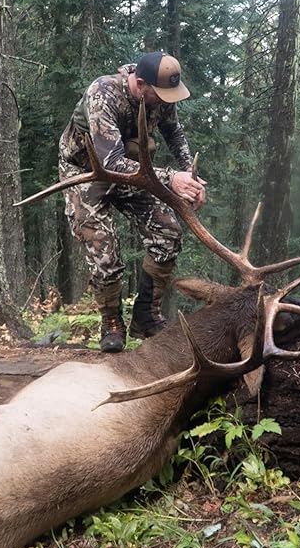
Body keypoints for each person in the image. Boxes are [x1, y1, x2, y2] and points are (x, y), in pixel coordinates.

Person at [58, 51, 207, 352]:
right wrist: (171, 178)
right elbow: (111, 162)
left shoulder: (160, 94)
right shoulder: (102, 95)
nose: (165, 101)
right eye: (160, 95)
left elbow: (173, 132)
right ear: (140, 84)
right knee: (105, 254)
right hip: (86, 173)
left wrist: (191, 175)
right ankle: (111, 322)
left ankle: (146, 316)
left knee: (168, 234)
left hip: (135, 172)